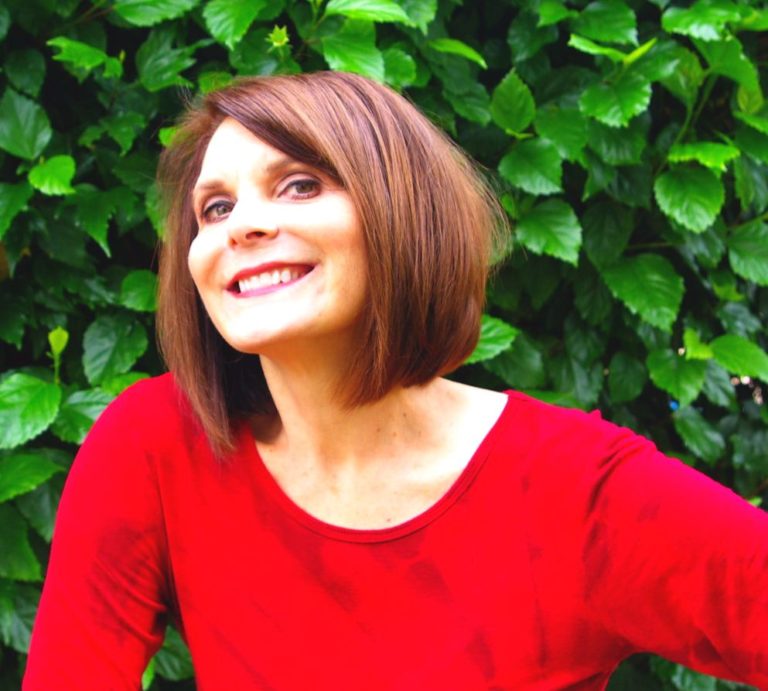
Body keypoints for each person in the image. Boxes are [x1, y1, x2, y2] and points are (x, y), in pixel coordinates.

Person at [24, 72, 768, 690]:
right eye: (215, 207)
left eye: (299, 185)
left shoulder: (577, 489)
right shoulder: (155, 447)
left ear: (401, 212)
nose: (240, 225)